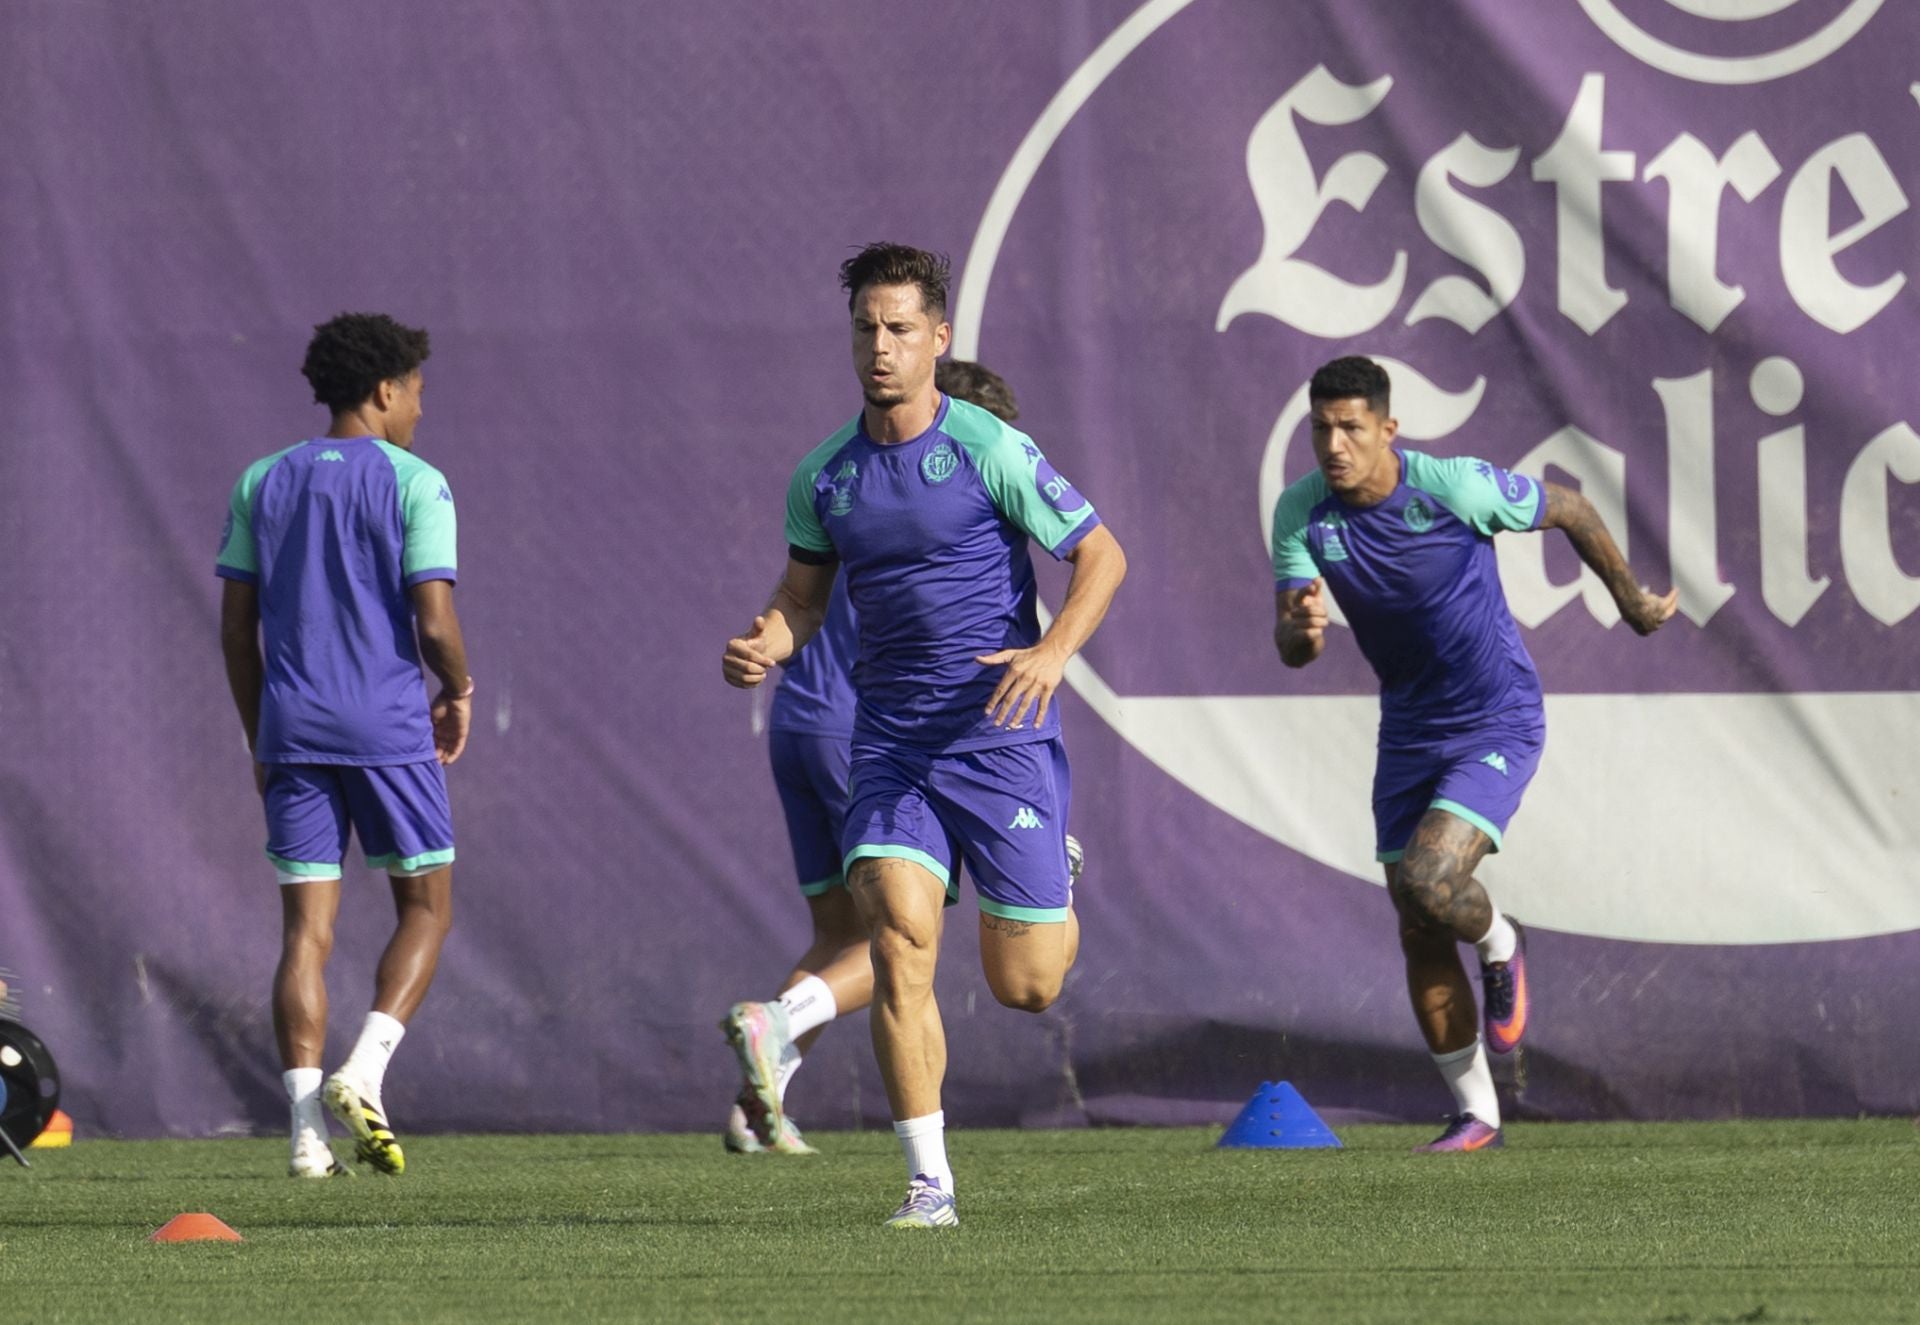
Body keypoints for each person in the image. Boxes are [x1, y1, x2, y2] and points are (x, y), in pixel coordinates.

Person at [723, 244, 1127, 1226]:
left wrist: (1051, 652)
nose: (881, 345)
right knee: (901, 936)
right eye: (866, 327)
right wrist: (772, 636)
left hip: (1001, 737)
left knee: (1026, 985)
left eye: (901, 328)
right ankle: (927, 1182)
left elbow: (1103, 554)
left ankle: (1054, 876)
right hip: (892, 743)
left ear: (938, 339)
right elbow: (803, 595)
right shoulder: (824, 475)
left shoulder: (989, 447)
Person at [1271, 356, 1675, 1152]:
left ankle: (1499, 942)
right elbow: (1291, 640)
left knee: (1430, 881)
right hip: (1408, 732)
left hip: (1496, 717)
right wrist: (1298, 634)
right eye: (1321, 428)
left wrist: (1629, 600)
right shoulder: (1300, 511)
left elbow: (1571, 508)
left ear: (1389, 428)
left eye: (1352, 426)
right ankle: (1477, 1114)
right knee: (1417, 923)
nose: (1334, 444)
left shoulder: (1454, 486)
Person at [217, 313, 473, 1179]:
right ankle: (362, 1072)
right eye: (418, 395)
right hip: (387, 728)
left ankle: (302, 1138)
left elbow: (236, 629)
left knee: (305, 933)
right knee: (427, 907)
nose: (420, 412)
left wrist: (262, 734)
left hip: (291, 731)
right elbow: (434, 621)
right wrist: (461, 690)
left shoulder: (263, 480)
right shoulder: (415, 481)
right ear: (385, 390)